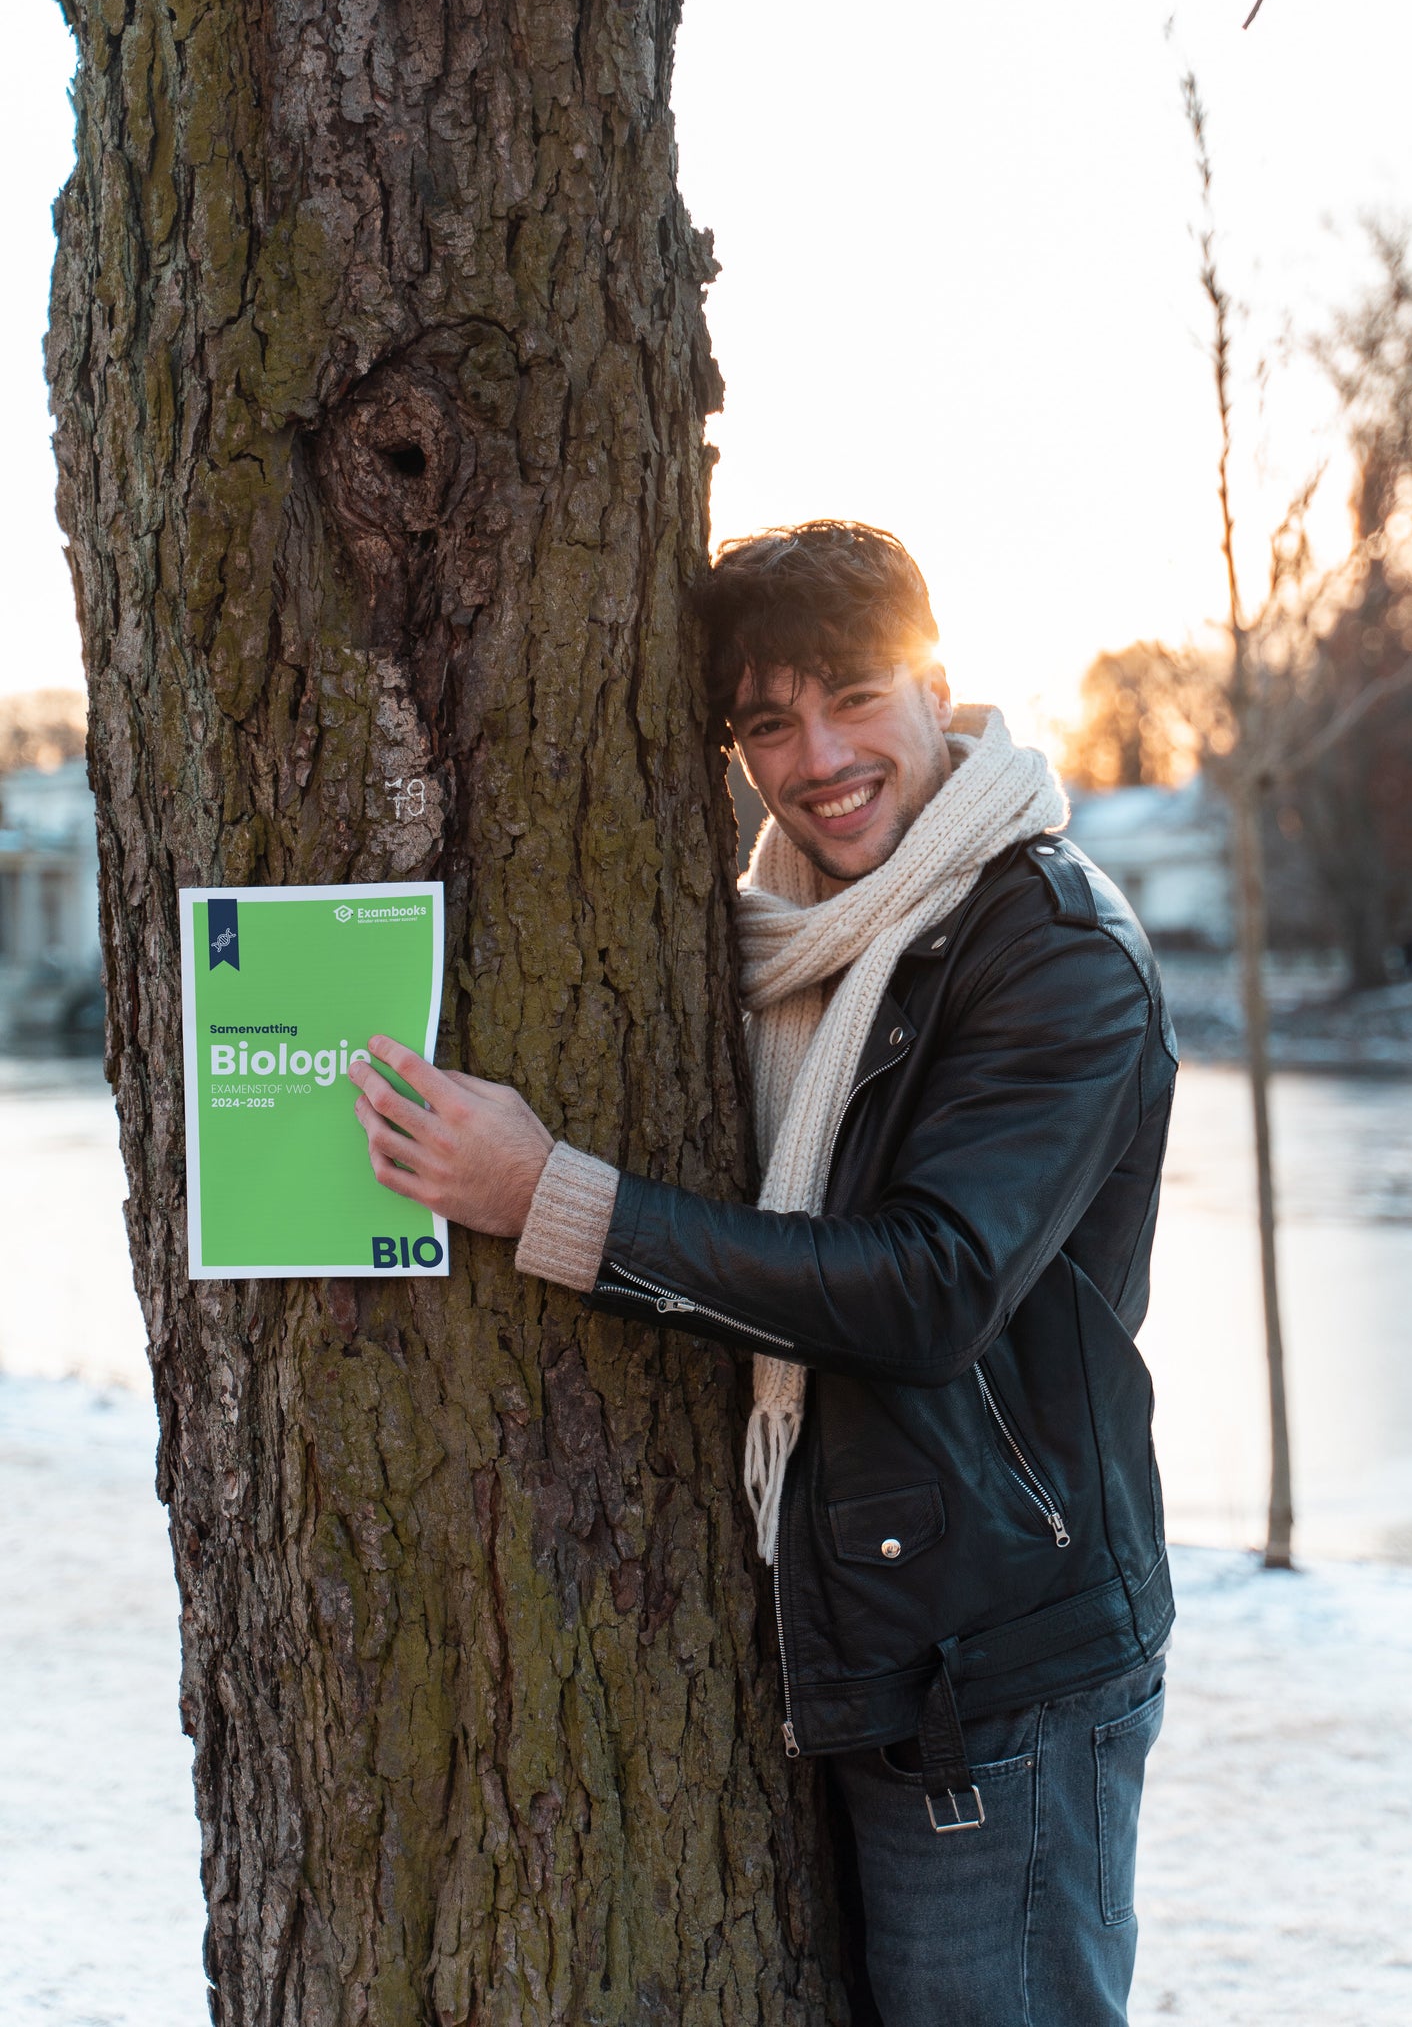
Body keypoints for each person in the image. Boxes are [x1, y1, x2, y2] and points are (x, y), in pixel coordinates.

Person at [350, 520, 1177, 2026]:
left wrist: (551, 1197)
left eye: (854, 696)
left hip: (992, 1669)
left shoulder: (1051, 950)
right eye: (767, 722)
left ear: (935, 683)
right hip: (864, 1642)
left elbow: (930, 1287)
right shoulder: (787, 936)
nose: (818, 757)